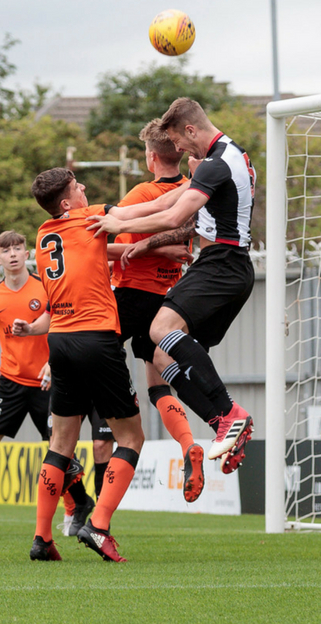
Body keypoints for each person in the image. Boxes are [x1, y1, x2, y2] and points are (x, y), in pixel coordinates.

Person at [88, 97, 256, 473]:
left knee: (160, 329)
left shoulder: (216, 163)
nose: (178, 151)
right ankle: (223, 428)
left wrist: (119, 227)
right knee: (166, 356)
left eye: (180, 142)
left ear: (191, 130)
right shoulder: (226, 157)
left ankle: (230, 414)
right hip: (230, 269)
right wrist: (113, 213)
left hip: (221, 265)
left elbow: (175, 215)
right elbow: (168, 199)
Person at [17, 168, 144, 562]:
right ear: (68, 203)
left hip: (60, 341)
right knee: (131, 438)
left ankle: (41, 539)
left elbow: (92, 252)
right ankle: (99, 524)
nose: (85, 188)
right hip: (97, 339)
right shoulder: (93, 217)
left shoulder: (43, 236)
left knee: (60, 444)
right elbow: (151, 210)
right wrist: (196, 190)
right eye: (77, 187)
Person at [0, 230, 95, 536]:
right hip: (11, 384)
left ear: (27, 254)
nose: (13, 254)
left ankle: (73, 512)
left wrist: (53, 364)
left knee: (60, 451)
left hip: (48, 382)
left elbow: (64, 326)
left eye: (18, 248)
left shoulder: (47, 287)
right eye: (6, 250)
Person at [109, 119, 204, 501]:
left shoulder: (140, 195)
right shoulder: (192, 190)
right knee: (158, 380)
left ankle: (110, 420)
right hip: (171, 299)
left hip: (131, 293)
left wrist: (146, 248)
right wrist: (164, 251)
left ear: (150, 158)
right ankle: (187, 446)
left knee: (97, 357)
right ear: (181, 151)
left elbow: (104, 246)